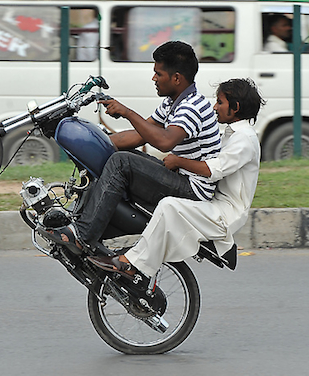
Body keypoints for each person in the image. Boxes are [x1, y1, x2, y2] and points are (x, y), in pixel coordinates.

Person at [38, 41, 221, 252]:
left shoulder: (193, 106)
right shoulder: (173, 103)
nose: (154, 78)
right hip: (181, 178)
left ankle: (82, 235)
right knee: (116, 155)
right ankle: (87, 224)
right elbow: (139, 136)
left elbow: (164, 141)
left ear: (177, 78)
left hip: (193, 189)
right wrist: (94, 145)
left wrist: (128, 112)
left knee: (121, 162)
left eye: (158, 74)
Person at [87, 78, 265, 279]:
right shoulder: (233, 133)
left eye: (220, 103)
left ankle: (130, 262)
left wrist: (179, 161)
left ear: (235, 108)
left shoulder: (244, 139)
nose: (215, 107)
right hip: (216, 203)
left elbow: (212, 170)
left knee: (168, 206)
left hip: (225, 212)